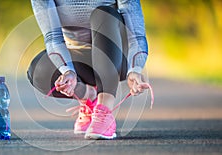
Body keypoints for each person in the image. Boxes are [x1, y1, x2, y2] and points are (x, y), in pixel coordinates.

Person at [27, 0, 150, 140]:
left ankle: (104, 112)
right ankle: (88, 96)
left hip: (118, 57)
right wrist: (68, 71)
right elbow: (53, 39)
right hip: (82, 58)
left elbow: (137, 36)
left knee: (102, 13)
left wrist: (135, 68)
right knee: (38, 70)